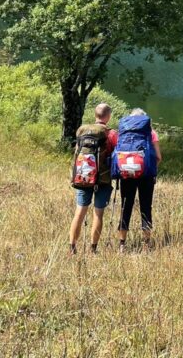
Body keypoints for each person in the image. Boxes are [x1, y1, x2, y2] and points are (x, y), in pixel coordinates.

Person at [109, 108, 162, 251]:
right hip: (146, 176)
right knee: (146, 207)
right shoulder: (151, 133)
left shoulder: (123, 132)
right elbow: (158, 157)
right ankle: (146, 244)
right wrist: (150, 169)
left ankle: (122, 244)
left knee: (125, 207)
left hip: (127, 174)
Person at [68, 103, 114, 255]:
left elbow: (77, 152)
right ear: (108, 116)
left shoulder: (81, 130)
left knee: (79, 212)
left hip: (83, 176)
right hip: (103, 179)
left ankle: (72, 247)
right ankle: (93, 248)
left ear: (95, 115)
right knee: (98, 213)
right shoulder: (109, 133)